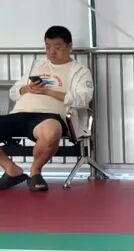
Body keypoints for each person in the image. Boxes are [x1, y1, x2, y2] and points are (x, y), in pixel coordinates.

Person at [0, 26, 93, 192]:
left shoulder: (79, 71)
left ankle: (35, 171)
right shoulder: (36, 66)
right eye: (48, 47)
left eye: (57, 47)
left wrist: (48, 92)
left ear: (69, 46)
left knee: (51, 131)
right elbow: (14, 92)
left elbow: (83, 98)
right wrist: (28, 88)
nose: (51, 52)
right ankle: (10, 169)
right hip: (20, 113)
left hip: (49, 116)